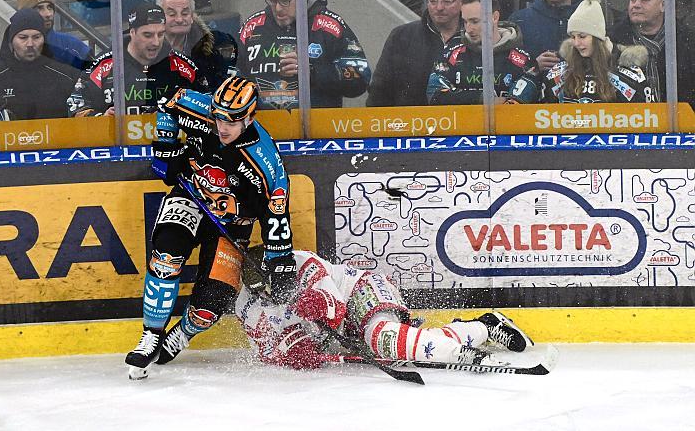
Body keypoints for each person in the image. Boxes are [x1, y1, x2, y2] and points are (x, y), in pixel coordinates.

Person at [125, 75, 296, 373]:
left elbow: (276, 210)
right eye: (218, 118)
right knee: (167, 255)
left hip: (231, 225)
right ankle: (150, 335)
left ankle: (182, 334)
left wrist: (279, 259)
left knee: (211, 305)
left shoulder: (264, 158)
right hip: (191, 196)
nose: (222, 127)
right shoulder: (196, 106)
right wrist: (165, 146)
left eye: (231, 121)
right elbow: (167, 104)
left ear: (250, 117)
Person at [234, 250, 533, 370]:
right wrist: (293, 350)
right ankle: (483, 327)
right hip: (344, 333)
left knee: (383, 338)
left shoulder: (300, 262)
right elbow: (266, 352)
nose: (277, 296)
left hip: (363, 293)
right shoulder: (245, 307)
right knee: (402, 349)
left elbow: (335, 309)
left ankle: (462, 354)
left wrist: (314, 303)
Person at [236, 0, 370, 109]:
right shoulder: (252, 27)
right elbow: (230, 76)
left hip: (317, 128)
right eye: (272, 0)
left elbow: (360, 78)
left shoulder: (328, 26)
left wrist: (311, 72)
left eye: (285, 0)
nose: (278, 8)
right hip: (264, 128)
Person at [509, 0, 654, 104]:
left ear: (597, 38)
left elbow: (647, 119)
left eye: (583, 36)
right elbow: (543, 116)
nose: (577, 43)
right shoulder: (558, 74)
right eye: (573, 37)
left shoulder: (629, 74)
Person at [68, 3, 207, 117]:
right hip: (116, 146)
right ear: (132, 32)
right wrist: (101, 119)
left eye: (160, 34)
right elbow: (75, 106)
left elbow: (208, 104)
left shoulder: (182, 66)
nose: (156, 42)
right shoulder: (104, 64)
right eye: (148, 35)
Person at [366, 0, 465, 107]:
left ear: (462, 2)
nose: (439, 7)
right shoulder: (401, 36)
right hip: (411, 122)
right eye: (433, 1)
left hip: (464, 122)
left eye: (447, 1)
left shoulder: (476, 37)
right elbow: (380, 88)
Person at [427, 0, 532, 105]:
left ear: (495, 17)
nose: (469, 29)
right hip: (462, 122)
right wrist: (482, 99)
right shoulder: (450, 55)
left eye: (475, 21)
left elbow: (518, 109)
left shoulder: (523, 60)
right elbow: (434, 94)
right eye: (465, 22)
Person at [608, 0, 695, 110]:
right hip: (627, 123)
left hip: (680, 125)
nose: (636, 5)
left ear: (663, 5)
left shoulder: (687, 41)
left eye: (644, 0)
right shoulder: (613, 40)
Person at [0, 8, 78, 121]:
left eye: (36, 37)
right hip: (7, 138)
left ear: (44, 39)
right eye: (23, 37)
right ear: (11, 40)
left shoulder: (67, 75)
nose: (30, 44)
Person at [156, 0, 237, 92]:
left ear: (192, 18)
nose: (179, 19)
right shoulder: (146, 50)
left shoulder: (211, 50)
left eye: (185, 13)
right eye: (172, 14)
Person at [509, 0, 581, 72]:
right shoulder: (520, 20)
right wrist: (533, 66)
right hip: (534, 88)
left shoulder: (587, 19)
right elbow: (508, 66)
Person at [16, 0, 93, 70]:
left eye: (50, 7)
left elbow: (97, 75)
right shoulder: (14, 49)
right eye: (40, 8)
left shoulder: (71, 45)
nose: (48, 14)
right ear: (25, 13)